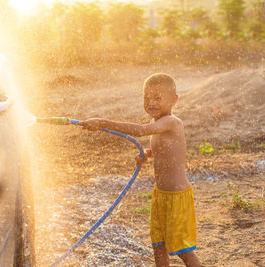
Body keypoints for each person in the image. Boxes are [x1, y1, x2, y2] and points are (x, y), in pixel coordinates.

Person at [78, 73, 201, 267]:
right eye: (146, 98)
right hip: (161, 195)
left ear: (174, 100)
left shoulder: (171, 122)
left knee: (184, 251)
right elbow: (166, 148)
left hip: (177, 197)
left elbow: (140, 131)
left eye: (158, 98)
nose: (151, 103)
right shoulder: (158, 123)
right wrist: (149, 154)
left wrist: (102, 123)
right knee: (158, 246)